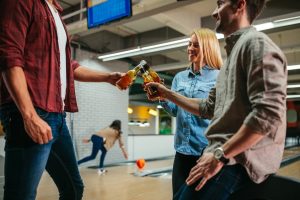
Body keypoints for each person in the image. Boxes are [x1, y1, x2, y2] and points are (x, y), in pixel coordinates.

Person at [145, 0, 287, 199]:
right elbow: (208, 107)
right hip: (218, 155)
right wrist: (166, 94)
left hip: (234, 162)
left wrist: (221, 154)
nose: (213, 13)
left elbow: (268, 113)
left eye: (220, 3)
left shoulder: (256, 44)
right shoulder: (232, 57)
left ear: (239, 5)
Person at [0, 0, 125, 199]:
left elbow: (69, 65)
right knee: (20, 195)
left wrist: (107, 78)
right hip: (33, 111)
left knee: (73, 189)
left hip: (57, 117)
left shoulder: (56, 11)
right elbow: (9, 55)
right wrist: (29, 116)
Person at [159, 28, 222, 196]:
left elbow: (220, 114)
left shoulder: (219, 77)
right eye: (189, 44)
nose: (190, 48)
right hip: (181, 152)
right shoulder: (179, 77)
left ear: (207, 48)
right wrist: (162, 97)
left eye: (196, 45)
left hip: (205, 154)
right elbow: (174, 111)